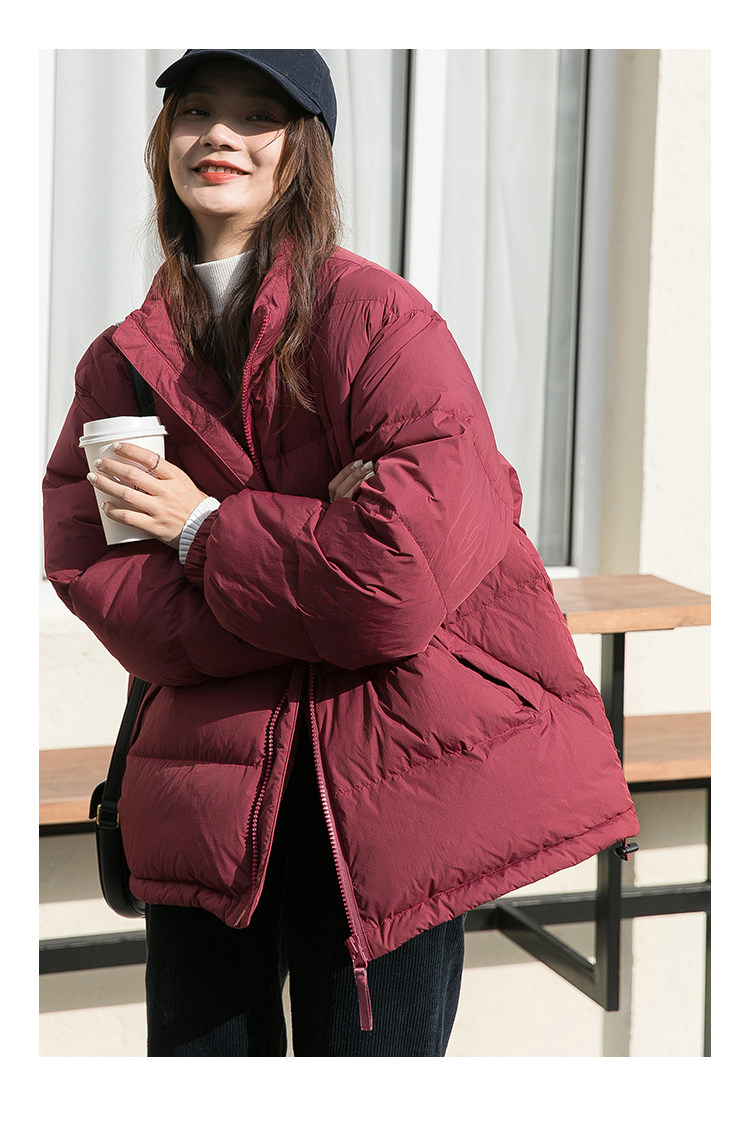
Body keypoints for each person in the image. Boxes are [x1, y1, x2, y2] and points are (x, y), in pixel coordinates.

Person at [43, 49, 639, 1057]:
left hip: (384, 805)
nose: (220, 135)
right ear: (163, 141)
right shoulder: (123, 363)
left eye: (257, 116)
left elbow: (392, 588)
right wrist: (309, 560)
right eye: (195, 110)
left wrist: (201, 529)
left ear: (302, 151)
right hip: (203, 793)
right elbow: (96, 573)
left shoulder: (380, 320)